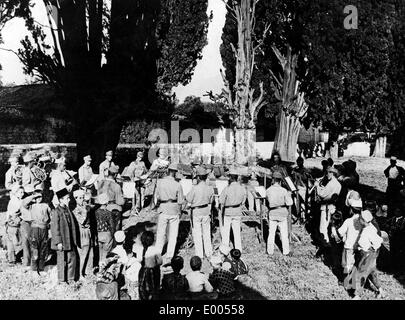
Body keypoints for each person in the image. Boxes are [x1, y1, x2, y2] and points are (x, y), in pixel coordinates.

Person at [345, 210, 384, 300]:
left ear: (364, 221)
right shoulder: (368, 227)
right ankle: (381, 291)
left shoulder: (369, 230)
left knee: (360, 274)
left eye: (360, 219)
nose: (359, 219)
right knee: (372, 273)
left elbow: (379, 241)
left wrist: (371, 249)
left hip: (368, 255)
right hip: (367, 254)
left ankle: (357, 295)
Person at [51, 188, 81, 284]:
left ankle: (70, 278)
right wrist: (58, 242)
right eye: (67, 198)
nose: (69, 200)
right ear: (61, 200)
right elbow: (55, 228)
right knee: (61, 261)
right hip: (62, 241)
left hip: (70, 240)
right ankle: (62, 280)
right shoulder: (56, 212)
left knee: (72, 259)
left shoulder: (68, 210)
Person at [155, 163, 184, 260]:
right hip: (174, 209)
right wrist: (179, 212)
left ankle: (158, 253)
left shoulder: (160, 182)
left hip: (163, 208)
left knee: (160, 233)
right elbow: (180, 201)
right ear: (175, 173)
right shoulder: (178, 184)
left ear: (168, 171)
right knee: (173, 234)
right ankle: (170, 255)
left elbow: (157, 197)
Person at [185, 166, 214, 259]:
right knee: (206, 232)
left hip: (196, 211)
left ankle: (199, 254)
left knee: (197, 233)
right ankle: (209, 252)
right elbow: (211, 201)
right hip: (206, 211)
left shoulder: (195, 188)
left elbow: (188, 199)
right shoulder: (210, 188)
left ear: (197, 177)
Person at [22, 188, 51, 275]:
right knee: (35, 248)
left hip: (44, 228)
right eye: (37, 197)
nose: (39, 199)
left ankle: (41, 268)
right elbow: (24, 203)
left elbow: (50, 216)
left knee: (43, 248)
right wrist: (33, 196)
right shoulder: (31, 206)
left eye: (40, 197)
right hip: (35, 229)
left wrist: (49, 227)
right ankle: (34, 269)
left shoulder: (45, 205)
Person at [266, 171, 294, 256]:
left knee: (271, 233)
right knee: (284, 234)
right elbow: (290, 203)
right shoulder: (284, 190)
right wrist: (289, 195)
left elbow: (267, 201)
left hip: (272, 213)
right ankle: (286, 251)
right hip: (282, 213)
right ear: (280, 181)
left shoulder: (268, 190)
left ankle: (270, 251)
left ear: (273, 180)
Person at [219, 168, 247, 252]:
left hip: (228, 212)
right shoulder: (242, 188)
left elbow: (221, 201)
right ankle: (238, 250)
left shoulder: (227, 188)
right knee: (237, 232)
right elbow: (243, 201)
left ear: (230, 177)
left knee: (226, 232)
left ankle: (225, 250)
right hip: (237, 211)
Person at [315, 167, 342, 244]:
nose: (326, 175)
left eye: (327, 173)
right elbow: (329, 192)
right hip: (333, 206)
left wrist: (317, 186)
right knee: (332, 224)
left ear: (332, 173)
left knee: (323, 227)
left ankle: (326, 242)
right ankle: (335, 238)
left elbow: (322, 194)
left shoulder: (330, 184)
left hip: (326, 207)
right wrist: (323, 188)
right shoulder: (338, 184)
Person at [72, 189, 93, 278]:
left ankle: (88, 271)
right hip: (82, 232)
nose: (82, 200)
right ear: (76, 199)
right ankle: (80, 274)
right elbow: (82, 220)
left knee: (89, 253)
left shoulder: (83, 208)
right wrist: (85, 209)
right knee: (83, 254)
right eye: (80, 198)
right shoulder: (76, 210)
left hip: (87, 231)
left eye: (83, 198)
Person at [97, 165, 125, 231]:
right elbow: (120, 202)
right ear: (115, 175)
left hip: (101, 209)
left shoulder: (100, 183)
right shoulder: (116, 186)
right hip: (113, 209)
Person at [138, 231, 163, 300]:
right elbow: (160, 262)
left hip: (143, 270)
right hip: (154, 271)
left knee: (142, 288)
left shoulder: (140, 249)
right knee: (154, 289)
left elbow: (139, 260)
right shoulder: (155, 249)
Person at [5, 186, 24, 265]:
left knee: (13, 241)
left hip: (13, 223)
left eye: (23, 192)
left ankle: (12, 257)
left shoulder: (18, 200)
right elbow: (14, 213)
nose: (22, 194)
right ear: (15, 193)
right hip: (12, 224)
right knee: (12, 242)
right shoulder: (14, 201)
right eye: (20, 192)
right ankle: (11, 259)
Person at [95, 193, 115, 263]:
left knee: (100, 253)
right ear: (106, 202)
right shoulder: (108, 213)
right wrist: (112, 235)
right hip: (106, 234)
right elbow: (112, 225)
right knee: (106, 254)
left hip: (98, 234)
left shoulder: (96, 212)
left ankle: (100, 267)